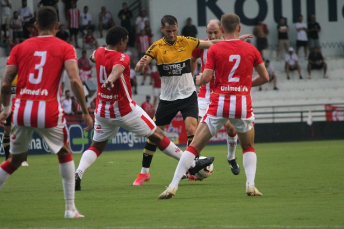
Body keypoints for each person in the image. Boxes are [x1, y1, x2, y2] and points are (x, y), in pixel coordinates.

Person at [74, 26, 212, 191]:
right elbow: (117, 69)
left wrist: (96, 59)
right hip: (124, 110)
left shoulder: (97, 52)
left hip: (102, 111)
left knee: (96, 146)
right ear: (121, 42)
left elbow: (93, 56)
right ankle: (192, 164)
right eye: (125, 42)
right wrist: (111, 78)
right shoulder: (123, 57)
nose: (126, 45)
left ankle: (78, 173)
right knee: (158, 134)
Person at [158, 13, 269, 199]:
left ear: (222, 30)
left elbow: (207, 78)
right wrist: (244, 86)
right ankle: (250, 185)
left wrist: (200, 78)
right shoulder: (251, 49)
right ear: (239, 28)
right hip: (242, 103)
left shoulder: (215, 50)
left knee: (193, 146)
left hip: (219, 102)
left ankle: (172, 186)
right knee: (248, 146)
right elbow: (265, 78)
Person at [133, 15, 249, 186]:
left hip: (188, 96)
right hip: (168, 99)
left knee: (191, 128)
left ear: (177, 28)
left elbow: (211, 43)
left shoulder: (186, 41)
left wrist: (236, 40)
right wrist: (140, 65)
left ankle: (191, 169)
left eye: (174, 30)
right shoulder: (156, 47)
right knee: (155, 134)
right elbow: (138, 68)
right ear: (162, 29)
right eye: (168, 31)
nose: (172, 34)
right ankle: (144, 172)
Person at [0, 6, 93, 218]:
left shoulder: (19, 47)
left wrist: (5, 110)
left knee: (14, 160)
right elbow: (75, 81)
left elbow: (5, 85)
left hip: (21, 109)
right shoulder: (65, 47)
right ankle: (70, 209)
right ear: (57, 26)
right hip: (48, 109)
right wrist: (86, 112)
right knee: (64, 152)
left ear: (35, 26)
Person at [191, 19, 240, 177]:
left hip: (223, 93)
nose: (212, 35)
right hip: (205, 93)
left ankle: (231, 157)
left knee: (231, 128)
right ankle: (191, 166)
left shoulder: (228, 45)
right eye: (209, 32)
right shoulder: (202, 45)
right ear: (206, 32)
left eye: (215, 32)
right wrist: (191, 78)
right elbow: (192, 59)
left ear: (222, 31)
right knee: (196, 130)